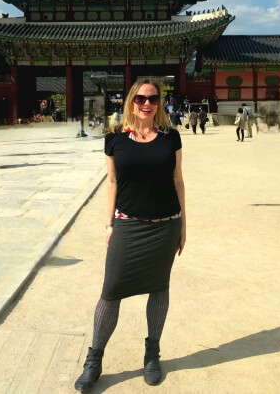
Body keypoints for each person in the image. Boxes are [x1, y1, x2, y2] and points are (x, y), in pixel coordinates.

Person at [74, 78, 186, 391]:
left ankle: (152, 353)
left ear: (159, 102)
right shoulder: (114, 139)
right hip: (128, 223)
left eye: (152, 98)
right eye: (140, 98)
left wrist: (184, 225)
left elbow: (178, 181)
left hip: (166, 224)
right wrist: (109, 225)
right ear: (130, 102)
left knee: (159, 286)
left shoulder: (171, 138)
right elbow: (111, 183)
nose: (146, 104)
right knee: (111, 292)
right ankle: (94, 359)